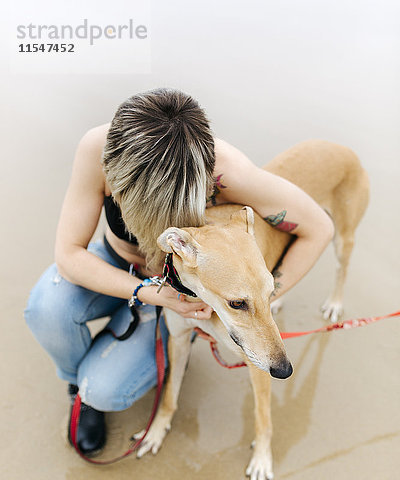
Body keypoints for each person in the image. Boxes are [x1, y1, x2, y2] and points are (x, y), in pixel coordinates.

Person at [24, 88, 334, 456]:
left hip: (184, 285)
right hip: (119, 266)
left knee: (106, 390)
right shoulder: (98, 149)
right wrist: (152, 294)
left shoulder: (227, 171)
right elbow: (69, 254)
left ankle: (97, 390)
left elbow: (319, 229)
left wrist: (254, 300)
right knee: (46, 308)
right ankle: (77, 387)